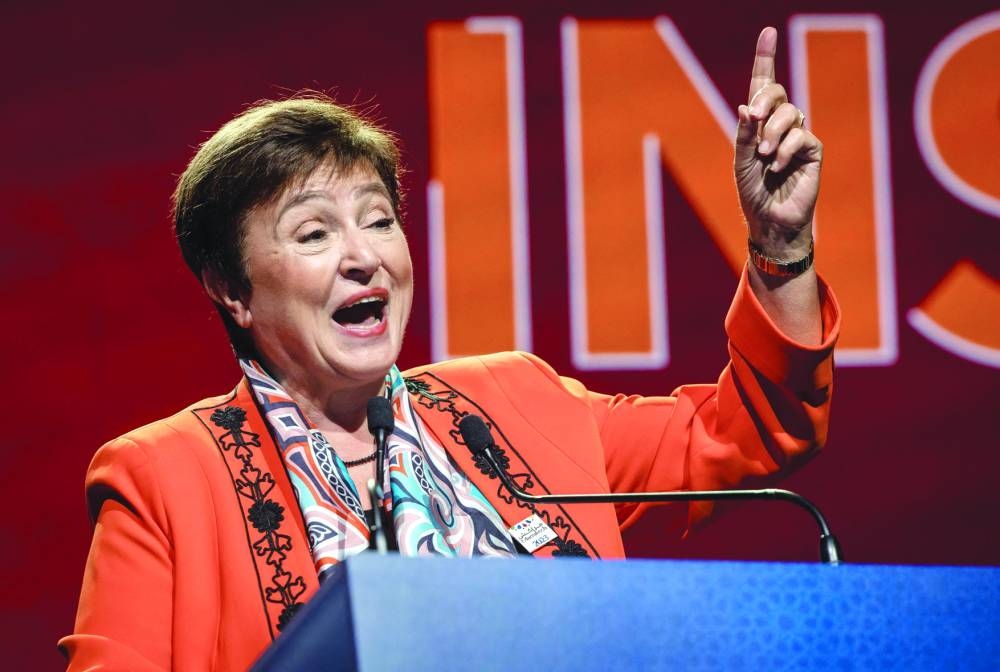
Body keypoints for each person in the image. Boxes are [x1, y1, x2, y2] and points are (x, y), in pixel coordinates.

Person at [60, 26, 838, 671]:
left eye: (377, 219)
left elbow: (746, 433)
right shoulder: (161, 479)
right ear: (231, 287)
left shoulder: (517, 402)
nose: (363, 255)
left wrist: (780, 245)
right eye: (314, 233)